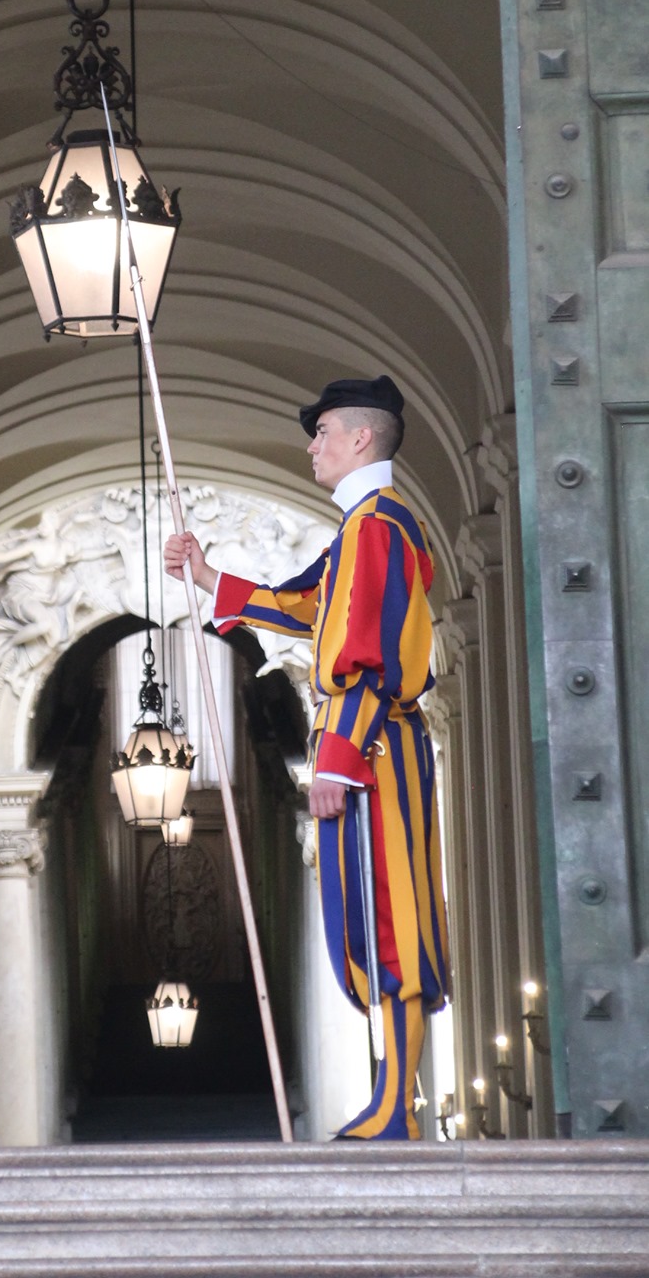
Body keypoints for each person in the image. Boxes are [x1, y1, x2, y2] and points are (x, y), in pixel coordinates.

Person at [164, 374, 450, 1140]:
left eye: (321, 433)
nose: (310, 448)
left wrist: (337, 756)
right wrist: (207, 577)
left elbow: (367, 652)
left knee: (390, 917)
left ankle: (396, 1107)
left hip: (373, 744)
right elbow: (309, 606)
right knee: (369, 913)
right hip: (370, 743)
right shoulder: (362, 529)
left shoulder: (376, 527)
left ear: (360, 438)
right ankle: (389, 1099)